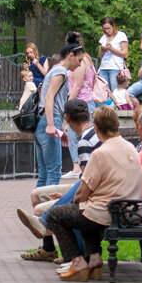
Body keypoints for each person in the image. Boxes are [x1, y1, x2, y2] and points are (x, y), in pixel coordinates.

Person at [45, 105, 142, 282]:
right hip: (131, 211)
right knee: (86, 210)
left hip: (109, 213)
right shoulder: (130, 147)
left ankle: (77, 262)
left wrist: (76, 200)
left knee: (55, 214)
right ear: (118, 124)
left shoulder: (100, 153)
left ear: (96, 128)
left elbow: (81, 194)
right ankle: (95, 260)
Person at [18, 99, 101, 262]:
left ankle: (73, 254)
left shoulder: (85, 141)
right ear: (88, 115)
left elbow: (87, 181)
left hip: (91, 191)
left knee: (39, 209)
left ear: (66, 118)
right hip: (89, 186)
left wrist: (67, 198)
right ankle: (48, 249)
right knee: (36, 194)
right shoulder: (93, 134)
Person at [34, 45, 84, 189]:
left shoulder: (54, 70)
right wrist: (51, 125)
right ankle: (48, 204)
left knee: (45, 173)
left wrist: (59, 126)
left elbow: (50, 100)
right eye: (79, 60)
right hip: (48, 122)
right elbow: (49, 97)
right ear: (71, 55)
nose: (80, 64)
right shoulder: (60, 72)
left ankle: (38, 203)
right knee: (54, 172)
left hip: (42, 122)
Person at [64, 31, 97, 176]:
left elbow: (77, 86)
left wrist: (67, 106)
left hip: (81, 101)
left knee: (74, 134)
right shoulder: (86, 57)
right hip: (86, 100)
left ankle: (77, 167)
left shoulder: (81, 60)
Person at [96, 17, 129, 93]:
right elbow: (100, 56)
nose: (107, 31)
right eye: (105, 29)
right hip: (103, 67)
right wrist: (102, 50)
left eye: (108, 28)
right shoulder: (104, 37)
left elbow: (125, 54)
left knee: (115, 91)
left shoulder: (121, 35)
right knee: (104, 92)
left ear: (113, 26)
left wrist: (111, 49)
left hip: (115, 67)